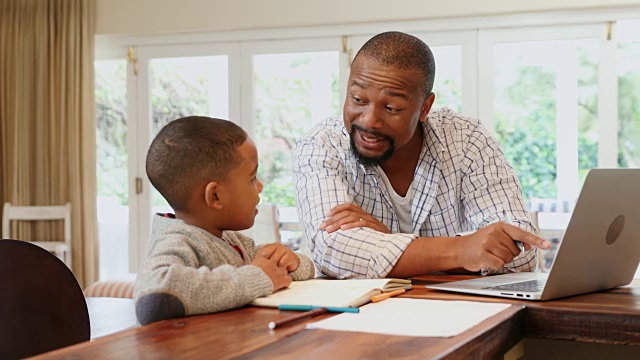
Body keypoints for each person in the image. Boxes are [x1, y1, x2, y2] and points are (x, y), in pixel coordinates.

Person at [292, 31, 550, 279]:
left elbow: (520, 251)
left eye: (391, 107)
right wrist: (461, 251)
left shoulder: (468, 140)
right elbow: (334, 252)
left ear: (425, 107)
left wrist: (389, 243)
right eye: (358, 99)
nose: (369, 121)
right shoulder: (320, 145)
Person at [135, 116, 315, 325]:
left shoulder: (233, 242)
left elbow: (289, 271)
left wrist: (293, 262)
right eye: (252, 178)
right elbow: (155, 298)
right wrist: (255, 278)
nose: (260, 187)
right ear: (216, 197)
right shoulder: (177, 241)